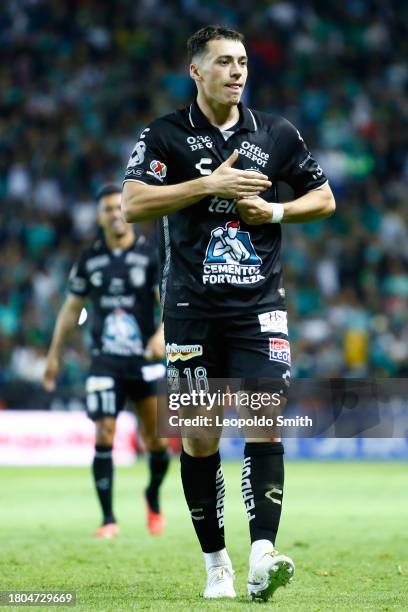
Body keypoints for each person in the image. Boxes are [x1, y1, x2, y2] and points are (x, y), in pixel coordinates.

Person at [122, 25, 335, 600]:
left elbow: (325, 197)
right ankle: (217, 561)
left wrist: (276, 213)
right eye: (223, 62)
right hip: (191, 311)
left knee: (265, 418)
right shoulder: (165, 135)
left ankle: (263, 555)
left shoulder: (276, 133)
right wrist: (206, 183)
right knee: (198, 439)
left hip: (259, 308)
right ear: (196, 71)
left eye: (242, 61)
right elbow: (134, 202)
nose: (237, 71)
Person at [43, 184, 169, 538]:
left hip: (145, 359)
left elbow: (169, 304)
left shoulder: (150, 255)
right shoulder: (89, 260)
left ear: (128, 211)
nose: (115, 214)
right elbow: (71, 310)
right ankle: (108, 519)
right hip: (105, 361)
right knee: (105, 432)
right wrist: (53, 356)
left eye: (119, 207)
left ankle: (153, 495)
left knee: (156, 441)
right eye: (107, 210)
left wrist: (161, 337)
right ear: (99, 217)